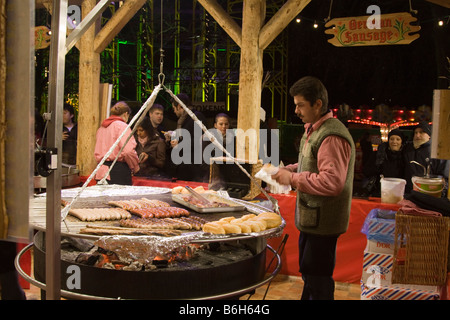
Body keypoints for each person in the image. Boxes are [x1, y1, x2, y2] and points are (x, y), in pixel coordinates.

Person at [271, 76, 355, 300]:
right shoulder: (314, 129)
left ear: (317, 104)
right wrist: (287, 169)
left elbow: (331, 182)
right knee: (309, 274)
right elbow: (313, 162)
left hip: (324, 222)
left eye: (300, 105)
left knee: (318, 279)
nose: (296, 111)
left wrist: (293, 179)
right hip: (312, 220)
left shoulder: (332, 135)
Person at [94, 101, 140, 185]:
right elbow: (128, 151)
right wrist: (135, 166)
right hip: (117, 171)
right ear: (126, 114)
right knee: (119, 198)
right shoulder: (122, 126)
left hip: (101, 170)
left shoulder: (101, 128)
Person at [403, 121, 448, 195]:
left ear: (429, 135)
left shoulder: (437, 152)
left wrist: (440, 193)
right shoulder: (408, 150)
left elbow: (445, 177)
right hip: (410, 195)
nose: (417, 135)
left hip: (430, 196)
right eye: (415, 132)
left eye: (421, 132)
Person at [170, 93, 207, 181]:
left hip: (194, 169)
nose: (174, 111)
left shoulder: (196, 117)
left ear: (179, 106)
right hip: (185, 166)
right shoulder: (184, 119)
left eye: (174, 108)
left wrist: (180, 144)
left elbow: (199, 140)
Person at [362, 129, 406, 196]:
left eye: (398, 139)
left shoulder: (405, 156)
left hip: (398, 193)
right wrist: (378, 168)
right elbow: (366, 171)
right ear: (388, 141)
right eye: (392, 139)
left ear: (401, 142)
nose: (394, 142)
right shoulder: (378, 154)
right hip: (379, 192)